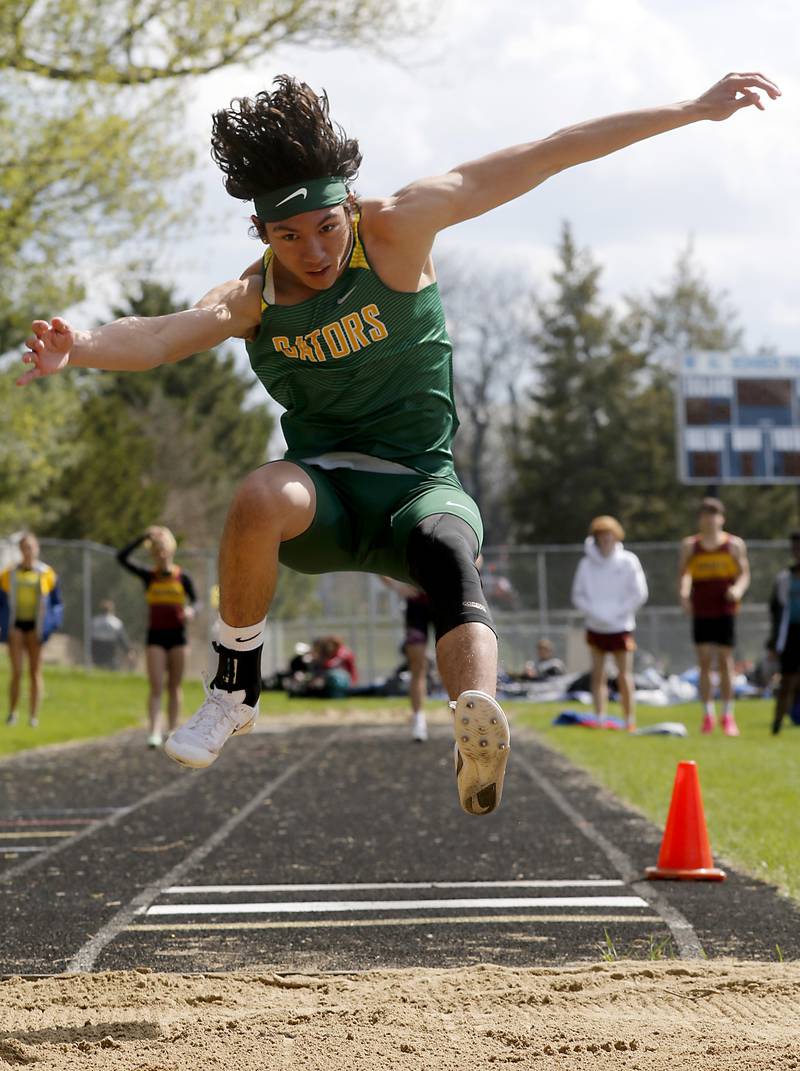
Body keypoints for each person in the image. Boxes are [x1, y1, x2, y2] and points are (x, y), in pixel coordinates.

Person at [18, 73, 779, 815]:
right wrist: (78, 344)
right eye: (289, 237)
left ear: (348, 203)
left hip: (421, 484)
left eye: (325, 227)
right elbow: (156, 337)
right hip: (326, 496)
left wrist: (691, 108)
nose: (312, 251)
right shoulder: (254, 295)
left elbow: (551, 150)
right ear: (262, 234)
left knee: (450, 553)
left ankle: (476, 725)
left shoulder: (400, 226)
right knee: (257, 494)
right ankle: (233, 689)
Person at [117, 526, 197, 748]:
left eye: (164, 549)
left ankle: (172, 730)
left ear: (171, 550)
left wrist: (192, 610)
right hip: (156, 637)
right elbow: (121, 557)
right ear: (153, 553)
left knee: (174, 685)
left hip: (179, 637)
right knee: (156, 686)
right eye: (156, 550)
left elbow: (196, 601)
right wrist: (142, 537)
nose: (161, 553)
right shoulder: (148, 576)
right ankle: (153, 731)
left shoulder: (183, 577)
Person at [678, 497, 750, 736]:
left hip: (724, 609)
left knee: (725, 661)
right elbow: (685, 574)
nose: (709, 520)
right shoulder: (690, 545)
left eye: (714, 515)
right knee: (704, 662)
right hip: (702, 608)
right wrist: (684, 594)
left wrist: (737, 590)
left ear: (722, 518)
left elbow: (744, 574)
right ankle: (708, 715)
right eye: (705, 515)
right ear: (700, 519)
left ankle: (728, 715)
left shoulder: (734, 544)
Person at [571, 516, 648, 730]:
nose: (606, 541)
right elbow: (578, 595)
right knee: (598, 675)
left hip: (621, 627)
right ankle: (600, 719)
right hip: (595, 627)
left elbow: (639, 593)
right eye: (601, 537)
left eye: (609, 536)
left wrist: (617, 613)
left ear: (616, 538)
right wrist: (595, 613)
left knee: (624, 675)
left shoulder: (628, 561)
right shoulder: (586, 565)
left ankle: (629, 720)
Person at [0, 532, 63, 728]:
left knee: (35, 672)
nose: (28, 551)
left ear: (37, 548)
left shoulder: (47, 574)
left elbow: (56, 604)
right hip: (16, 625)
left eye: (31, 547)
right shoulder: (8, 574)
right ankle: (12, 713)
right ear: (20, 550)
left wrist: (49, 626)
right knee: (17, 671)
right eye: (24, 547)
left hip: (36, 628)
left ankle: (33, 716)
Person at [382, 576, 435, 741]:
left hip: (444, 601)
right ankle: (419, 719)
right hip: (416, 606)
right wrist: (398, 587)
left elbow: (477, 555)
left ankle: (461, 720)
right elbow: (378, 557)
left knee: (451, 664)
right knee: (417, 665)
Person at [766, 531, 800, 736]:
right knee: (787, 680)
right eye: (795, 548)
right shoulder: (784, 578)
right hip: (791, 635)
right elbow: (776, 612)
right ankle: (777, 722)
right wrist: (773, 643)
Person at [90, 599, 132, 670]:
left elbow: (89, 636)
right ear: (111, 610)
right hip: (110, 648)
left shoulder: (94, 621)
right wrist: (128, 651)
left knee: (98, 666)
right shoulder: (116, 622)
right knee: (111, 666)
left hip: (96, 647)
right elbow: (122, 639)